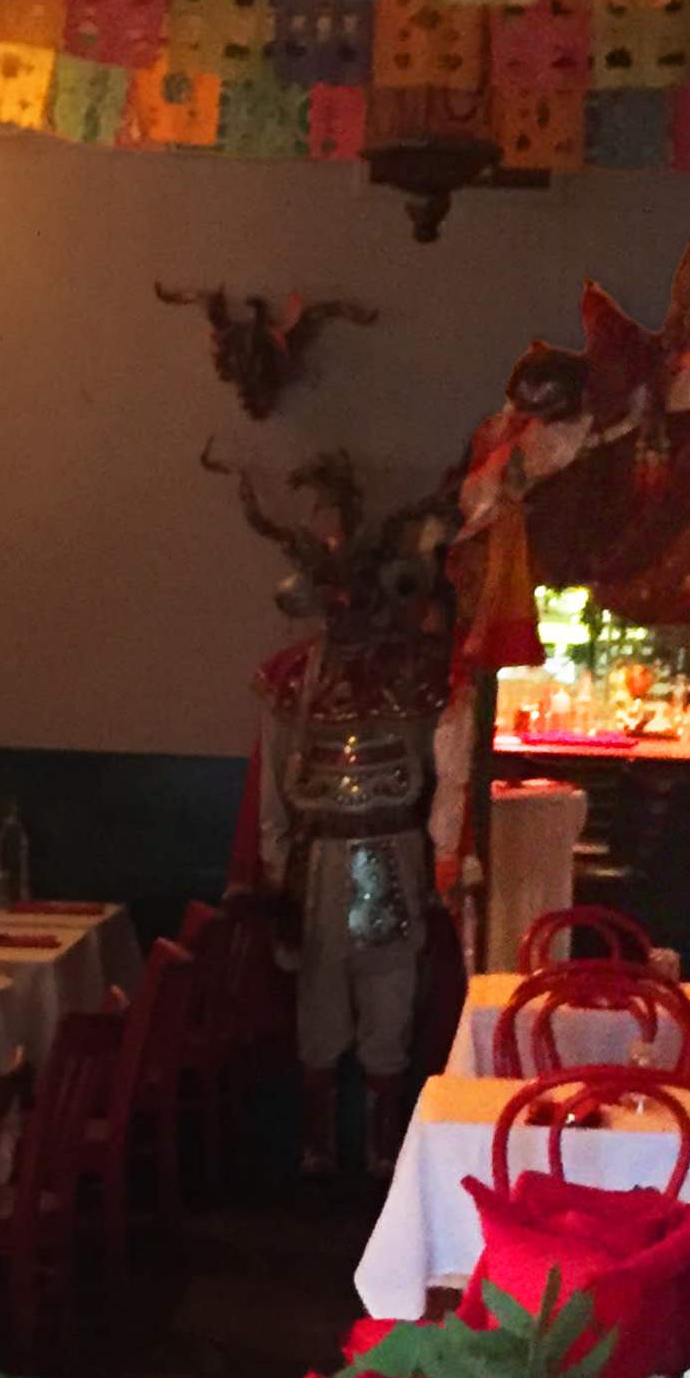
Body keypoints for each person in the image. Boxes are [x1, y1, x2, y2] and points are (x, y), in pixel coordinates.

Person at [217, 452, 463, 1180]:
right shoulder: (289, 680)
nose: (350, 609)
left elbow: (442, 775)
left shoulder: (418, 677)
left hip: (394, 855)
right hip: (317, 865)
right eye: (337, 593)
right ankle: (317, 1151)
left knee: (391, 994)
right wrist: (275, 876)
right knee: (318, 1001)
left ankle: (384, 1150)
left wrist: (439, 867)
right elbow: (273, 790)